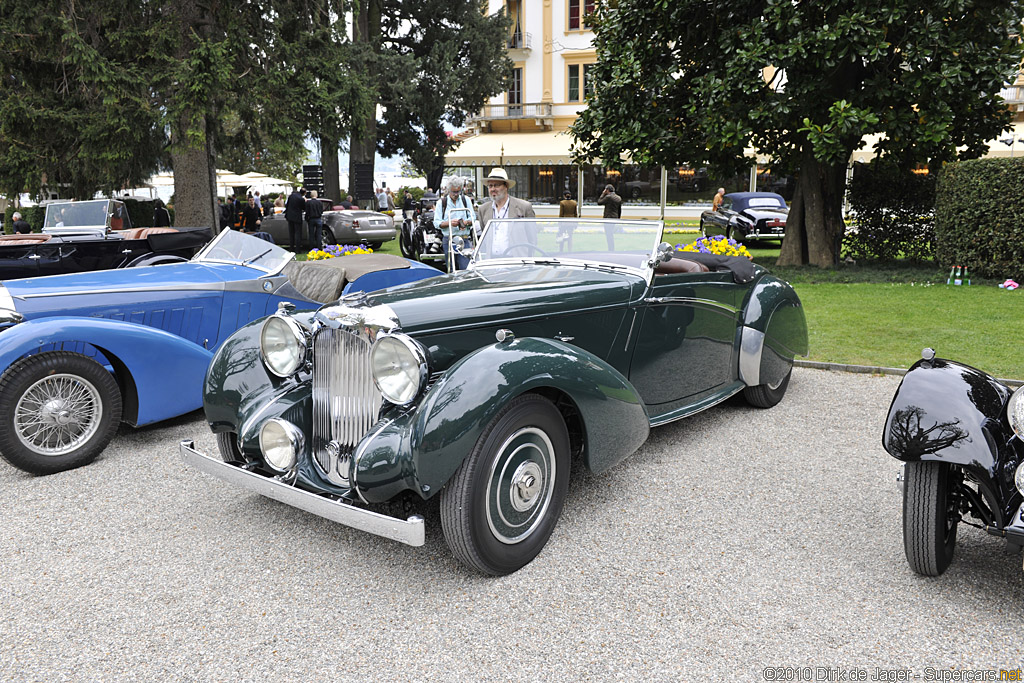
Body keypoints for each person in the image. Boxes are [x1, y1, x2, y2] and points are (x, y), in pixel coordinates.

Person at [477, 168, 536, 257]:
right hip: (492, 263)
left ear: (506, 186)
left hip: (516, 262)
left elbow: (532, 239)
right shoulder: (483, 209)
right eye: (490, 186)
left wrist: (528, 262)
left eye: (496, 185)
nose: (493, 189)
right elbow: (485, 237)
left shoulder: (524, 207)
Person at [435, 177, 477, 270]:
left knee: (465, 269)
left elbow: (473, 217)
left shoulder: (466, 200)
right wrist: (449, 223)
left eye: (458, 191)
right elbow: (437, 223)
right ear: (448, 190)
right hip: (448, 239)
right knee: (451, 268)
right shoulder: (441, 203)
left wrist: (466, 222)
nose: (456, 194)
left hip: (464, 239)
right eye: (454, 192)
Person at [597, 184, 622, 250]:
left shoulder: (608, 197)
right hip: (615, 217)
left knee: (608, 234)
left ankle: (611, 248)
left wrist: (602, 194)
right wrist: (618, 218)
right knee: (610, 234)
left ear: (607, 190)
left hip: (608, 217)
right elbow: (619, 210)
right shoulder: (618, 198)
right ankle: (611, 248)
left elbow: (599, 202)